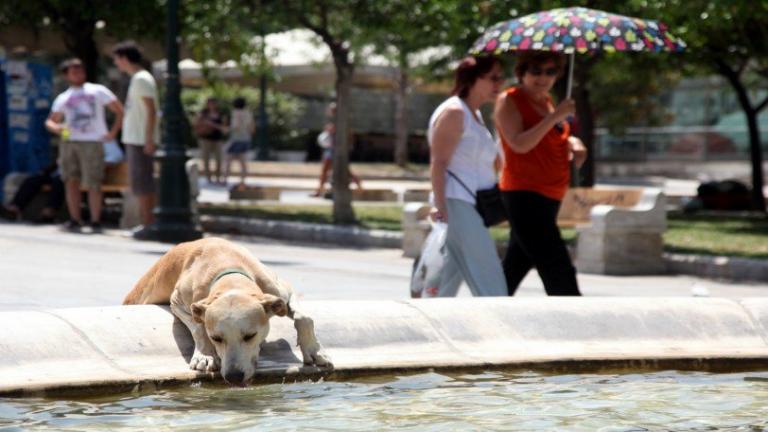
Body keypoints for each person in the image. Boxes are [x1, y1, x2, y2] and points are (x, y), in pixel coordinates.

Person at [493, 51, 587, 296]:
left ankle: (486, 307)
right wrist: (556, 116)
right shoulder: (509, 100)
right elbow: (519, 143)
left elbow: (548, 137)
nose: (543, 78)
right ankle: (575, 314)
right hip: (524, 193)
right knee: (557, 266)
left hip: (551, 193)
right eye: (535, 71)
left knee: (515, 264)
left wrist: (573, 142)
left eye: (550, 72)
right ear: (521, 73)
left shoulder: (548, 101)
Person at [426, 55, 507, 297]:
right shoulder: (455, 112)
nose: (499, 83)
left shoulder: (475, 114)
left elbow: (490, 162)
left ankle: (429, 311)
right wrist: (440, 205)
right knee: (488, 273)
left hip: (471, 203)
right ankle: (500, 316)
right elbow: (438, 162)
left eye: (501, 78)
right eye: (493, 77)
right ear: (472, 79)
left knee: (449, 274)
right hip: (457, 202)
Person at [45, 58, 124, 233]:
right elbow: (50, 121)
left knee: (94, 181)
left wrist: (112, 133)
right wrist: (58, 129)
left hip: (92, 142)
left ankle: (95, 221)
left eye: (80, 71)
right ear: (66, 75)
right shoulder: (63, 97)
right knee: (70, 180)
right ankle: (75, 219)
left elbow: (119, 110)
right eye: (74, 72)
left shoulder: (98, 90)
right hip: (69, 141)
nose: (78, 74)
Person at [111, 40, 161, 237]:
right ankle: (146, 223)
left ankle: (149, 224)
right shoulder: (138, 78)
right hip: (136, 138)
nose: (116, 63)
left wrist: (148, 139)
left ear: (124, 58)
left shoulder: (141, 79)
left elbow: (151, 110)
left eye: (117, 59)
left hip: (140, 139)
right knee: (139, 183)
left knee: (142, 183)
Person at [311, 102, 362, 197]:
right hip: (331, 149)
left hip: (336, 150)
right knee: (336, 170)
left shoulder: (341, 122)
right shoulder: (335, 121)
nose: (330, 111)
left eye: (332, 110)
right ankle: (359, 184)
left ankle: (318, 191)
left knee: (329, 170)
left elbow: (348, 136)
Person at [223, 97, 254, 189]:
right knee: (243, 162)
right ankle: (242, 181)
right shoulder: (248, 113)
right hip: (246, 139)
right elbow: (251, 128)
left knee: (228, 160)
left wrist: (227, 129)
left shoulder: (235, 113)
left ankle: (225, 180)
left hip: (236, 139)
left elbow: (236, 126)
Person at [195, 98, 228, 184]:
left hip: (217, 139)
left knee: (219, 159)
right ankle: (208, 178)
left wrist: (213, 125)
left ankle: (218, 177)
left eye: (213, 103)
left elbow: (224, 127)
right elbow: (197, 123)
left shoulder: (221, 114)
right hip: (205, 139)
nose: (212, 105)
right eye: (210, 103)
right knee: (206, 159)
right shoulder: (203, 113)